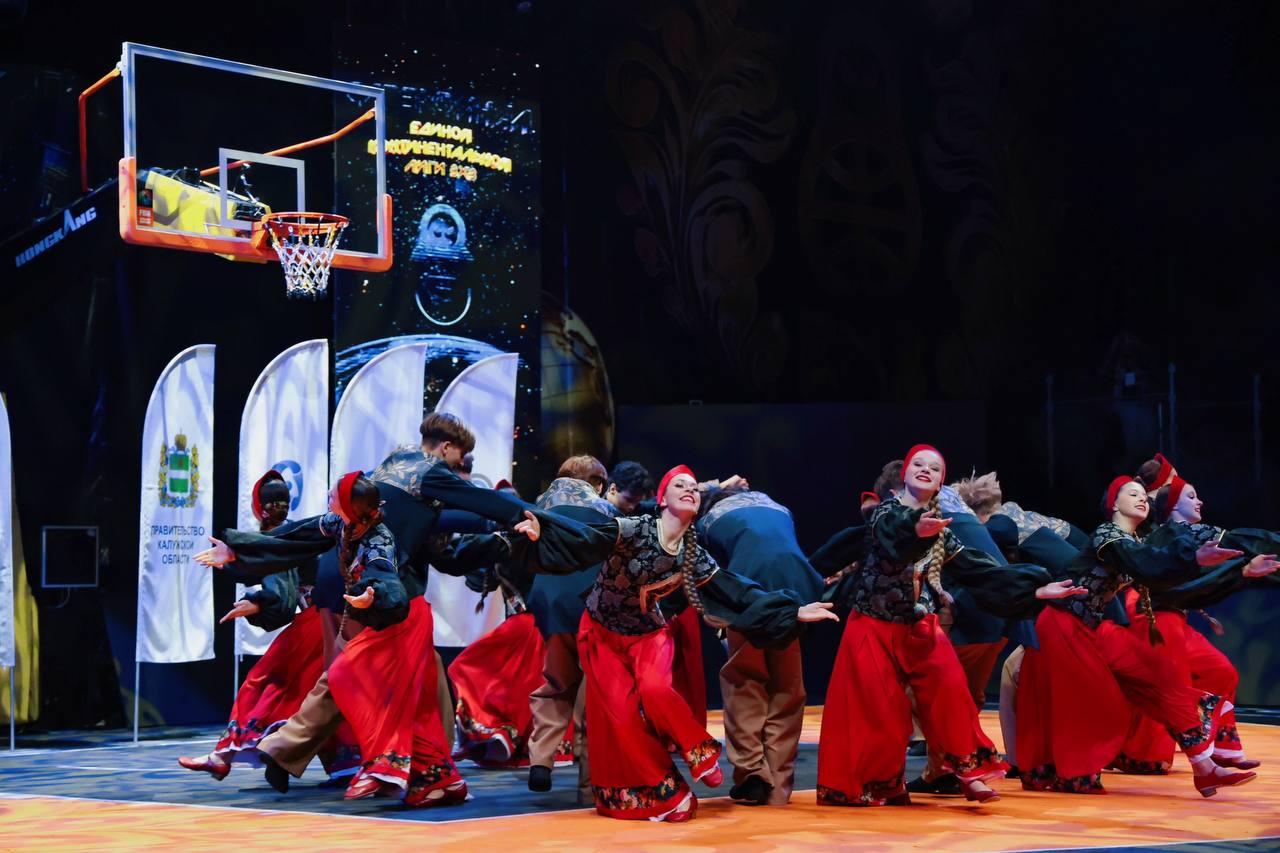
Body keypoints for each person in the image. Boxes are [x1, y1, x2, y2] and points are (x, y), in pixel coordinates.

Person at [816, 445, 1083, 807]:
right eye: (918, 464)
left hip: (920, 627)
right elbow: (894, 535)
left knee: (952, 693)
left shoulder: (941, 528)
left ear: (941, 482)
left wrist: (1035, 589)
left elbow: (978, 570)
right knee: (878, 710)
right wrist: (916, 528)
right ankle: (880, 784)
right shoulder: (886, 514)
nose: (925, 469)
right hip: (874, 627)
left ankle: (968, 773)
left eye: (935, 467)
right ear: (905, 475)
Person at [576, 465, 838, 821]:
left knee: (671, 689)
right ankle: (662, 790)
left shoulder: (696, 549)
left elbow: (731, 587)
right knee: (622, 717)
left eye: (693, 488)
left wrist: (790, 610)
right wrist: (536, 531)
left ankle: (715, 759)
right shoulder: (634, 528)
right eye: (679, 485)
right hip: (604, 632)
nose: (689, 490)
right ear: (662, 499)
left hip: (654, 631)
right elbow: (580, 537)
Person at [1016, 477, 1259, 797]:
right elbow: (1145, 562)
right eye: (1132, 494)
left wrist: (1239, 573)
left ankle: (1204, 767)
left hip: (1092, 627)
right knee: (1096, 699)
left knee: (1159, 676)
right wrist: (1193, 558)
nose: (1142, 499)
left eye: (1144, 495)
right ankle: (1075, 773)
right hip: (1063, 624)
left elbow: (1174, 584)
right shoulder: (1107, 536)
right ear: (1114, 505)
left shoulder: (1138, 544)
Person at [178, 471, 359, 782]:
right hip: (338, 620)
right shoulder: (300, 533)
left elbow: (282, 594)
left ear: (258, 508)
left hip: (318, 623)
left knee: (266, 680)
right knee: (318, 693)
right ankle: (346, 764)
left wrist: (259, 602)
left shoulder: (278, 540)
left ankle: (224, 755)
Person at [1111, 476, 1279, 774]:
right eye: (1190, 496)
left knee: (1221, 672)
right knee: (1167, 683)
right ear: (1172, 506)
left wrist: (1243, 573)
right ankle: (1142, 755)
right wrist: (1242, 572)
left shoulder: (1188, 535)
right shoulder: (1168, 536)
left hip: (1173, 613)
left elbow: (1199, 584)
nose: (1199, 501)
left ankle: (1221, 748)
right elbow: (1178, 584)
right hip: (1151, 613)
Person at [525, 459, 654, 798]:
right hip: (589, 604)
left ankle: (541, 759)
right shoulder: (606, 513)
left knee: (556, 680)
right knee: (592, 692)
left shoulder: (538, 506)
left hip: (548, 602)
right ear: (598, 484)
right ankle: (590, 781)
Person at [695, 483, 823, 806]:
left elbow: (710, 575)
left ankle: (752, 772)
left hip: (748, 590)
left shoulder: (708, 520)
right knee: (786, 688)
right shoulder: (778, 507)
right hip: (796, 591)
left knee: (744, 681)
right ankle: (779, 785)